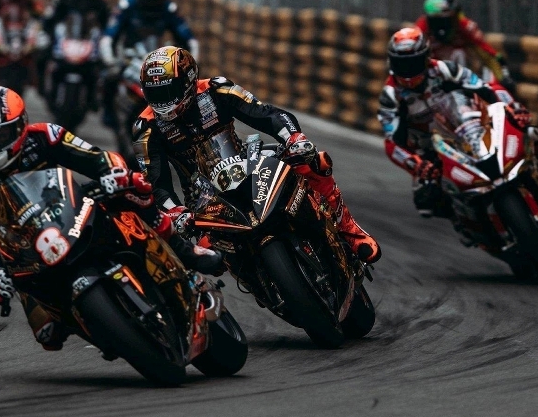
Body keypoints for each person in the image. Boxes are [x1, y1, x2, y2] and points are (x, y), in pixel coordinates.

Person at [0, 86, 187, 350]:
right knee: (47, 334)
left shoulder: (45, 136)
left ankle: (183, 249)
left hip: (72, 209)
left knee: (132, 192)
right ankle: (101, 327)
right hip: (28, 249)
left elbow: (97, 159)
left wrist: (114, 174)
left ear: (19, 126)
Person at [133, 45, 380, 265]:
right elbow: (156, 184)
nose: (162, 102)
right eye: (155, 94)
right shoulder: (146, 129)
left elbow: (266, 114)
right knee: (210, 255)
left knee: (313, 161)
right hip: (203, 199)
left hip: (247, 161)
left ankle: (350, 231)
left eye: (167, 92)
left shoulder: (216, 89)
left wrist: (294, 138)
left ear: (188, 80)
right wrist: (175, 211)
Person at [378, 26, 538, 219]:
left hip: (466, 125)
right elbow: (392, 142)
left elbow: (483, 87)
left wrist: (511, 108)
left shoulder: (445, 69)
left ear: (426, 58)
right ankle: (465, 220)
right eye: (402, 64)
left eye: (413, 63)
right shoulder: (390, 95)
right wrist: (416, 164)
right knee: (426, 202)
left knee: (525, 129)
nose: (408, 72)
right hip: (428, 145)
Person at [100, 0, 199, 128]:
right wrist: (109, 58)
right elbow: (110, 34)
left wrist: (191, 61)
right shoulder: (127, 4)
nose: (151, 4)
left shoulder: (169, 8)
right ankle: (108, 112)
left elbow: (187, 38)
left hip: (159, 58)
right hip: (129, 55)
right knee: (109, 75)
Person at [416, 0, 509, 84]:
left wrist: (502, 79)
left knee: (459, 53)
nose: (442, 26)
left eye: (446, 20)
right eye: (436, 21)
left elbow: (488, 54)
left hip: (467, 80)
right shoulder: (421, 29)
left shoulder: (466, 26)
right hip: (433, 80)